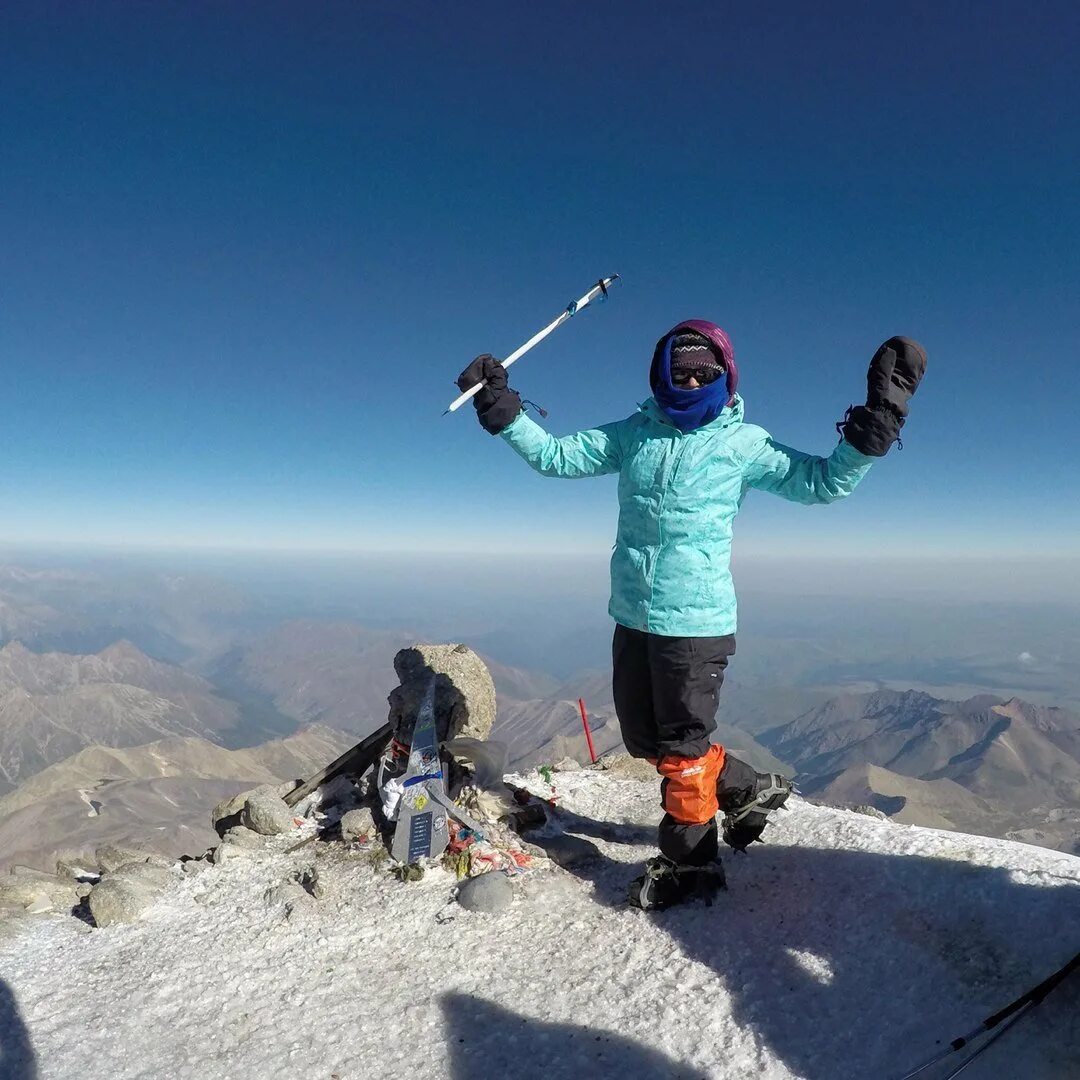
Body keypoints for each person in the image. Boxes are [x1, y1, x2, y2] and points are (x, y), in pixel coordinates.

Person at [456, 321, 926, 909]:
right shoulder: (636, 433)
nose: (694, 379)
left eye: (706, 371)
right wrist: (502, 408)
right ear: (662, 374)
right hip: (632, 615)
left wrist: (871, 434)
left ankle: (692, 862)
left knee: (681, 748)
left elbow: (821, 483)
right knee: (645, 741)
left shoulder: (743, 443)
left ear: (726, 375)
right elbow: (557, 457)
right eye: (682, 371)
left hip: (696, 624)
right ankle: (746, 788)